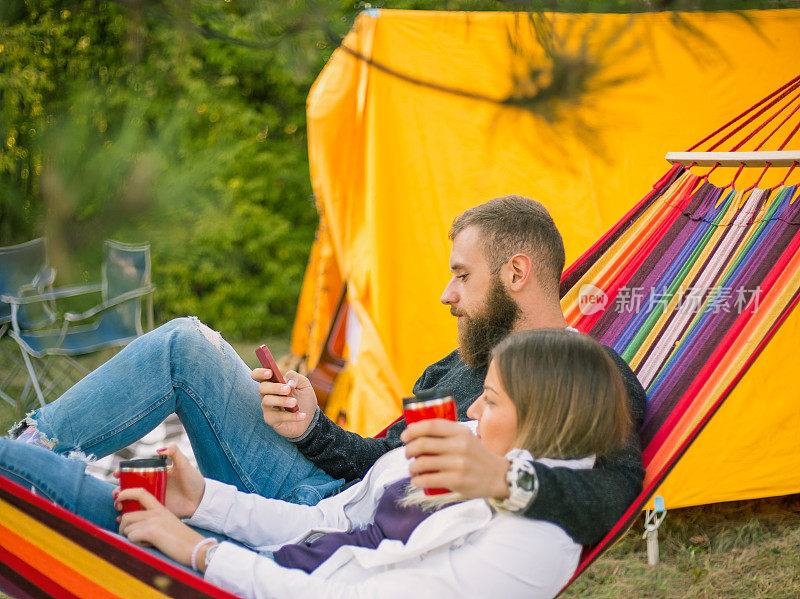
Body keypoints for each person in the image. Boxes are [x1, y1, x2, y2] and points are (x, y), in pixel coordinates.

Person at [8, 195, 646, 546]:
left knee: (125, 472)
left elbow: (616, 492)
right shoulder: (455, 368)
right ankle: (31, 451)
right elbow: (380, 460)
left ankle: (20, 473)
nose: (447, 295)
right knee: (187, 346)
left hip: (349, 537)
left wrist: (503, 479)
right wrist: (310, 427)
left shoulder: (589, 379)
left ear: (516, 275)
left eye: (461, 274)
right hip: (332, 498)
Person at [0, 329, 632, 598]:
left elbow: (330, 590)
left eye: (487, 403)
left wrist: (192, 546)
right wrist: (205, 505)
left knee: (48, 488)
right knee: (56, 481)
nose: (468, 415)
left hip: (239, 578)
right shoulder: (471, 417)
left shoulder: (523, 536)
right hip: (274, 552)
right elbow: (340, 514)